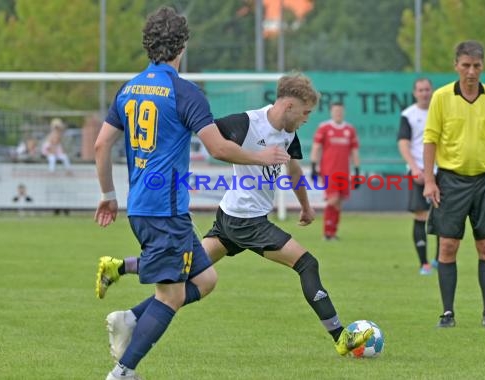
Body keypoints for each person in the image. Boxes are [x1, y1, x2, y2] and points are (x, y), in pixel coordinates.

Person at [95, 72, 373, 364]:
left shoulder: (289, 131)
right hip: (246, 220)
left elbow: (292, 171)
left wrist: (305, 205)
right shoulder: (246, 122)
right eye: (305, 112)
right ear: (289, 105)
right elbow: (212, 142)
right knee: (307, 263)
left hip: (231, 216)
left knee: (184, 270)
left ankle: (123, 283)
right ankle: (341, 336)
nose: (307, 118)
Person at [94, 7, 289, 380]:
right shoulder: (184, 92)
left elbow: (102, 145)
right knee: (172, 296)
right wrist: (260, 155)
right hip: (165, 211)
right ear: (182, 46)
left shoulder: (129, 87)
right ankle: (122, 372)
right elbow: (217, 148)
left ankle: (130, 318)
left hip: (141, 206)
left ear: (148, 44)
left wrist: (108, 193)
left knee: (205, 280)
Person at [422, 40, 485, 328]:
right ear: (456, 66)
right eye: (465, 65)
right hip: (450, 180)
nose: (471, 72)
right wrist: (429, 180)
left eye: (476, 66)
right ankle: (447, 313)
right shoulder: (441, 97)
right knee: (447, 247)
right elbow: (431, 140)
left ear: (482, 66)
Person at [397, 78, 439, 275]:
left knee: (443, 214)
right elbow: (404, 143)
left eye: (427, 89)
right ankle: (424, 264)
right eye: (421, 90)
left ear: (432, 91)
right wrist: (414, 168)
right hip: (419, 171)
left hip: (442, 170)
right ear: (415, 93)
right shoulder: (408, 115)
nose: (424, 93)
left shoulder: (440, 110)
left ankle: (440, 258)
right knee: (421, 215)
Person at [309, 102, 360, 240]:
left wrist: (357, 170)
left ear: (343, 112)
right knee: (333, 199)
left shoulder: (350, 129)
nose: (338, 113)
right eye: (335, 111)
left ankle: (332, 232)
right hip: (329, 170)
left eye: (340, 111)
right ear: (331, 112)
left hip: (344, 171)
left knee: (339, 202)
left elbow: (354, 151)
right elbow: (316, 147)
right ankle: (327, 232)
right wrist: (314, 166)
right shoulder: (324, 127)